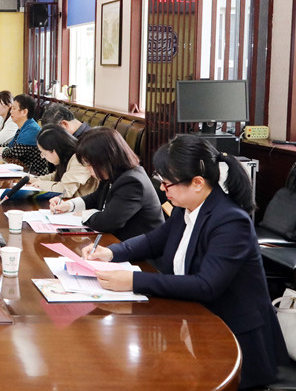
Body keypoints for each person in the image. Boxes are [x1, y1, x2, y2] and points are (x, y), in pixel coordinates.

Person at [82, 134, 288, 389]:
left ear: (197, 183)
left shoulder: (230, 221)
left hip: (233, 337)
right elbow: (154, 240)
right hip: (194, 320)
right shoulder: (187, 207)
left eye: (167, 183)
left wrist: (133, 281)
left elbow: (206, 285)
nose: (162, 189)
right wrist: (111, 253)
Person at [49, 127, 163, 240]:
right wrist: (69, 205)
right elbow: (96, 198)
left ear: (106, 160)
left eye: (89, 164)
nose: (87, 169)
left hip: (137, 247)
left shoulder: (132, 182)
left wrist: (85, 214)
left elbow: (108, 222)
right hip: (116, 240)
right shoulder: (113, 173)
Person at [29, 124, 98, 198]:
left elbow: (64, 191)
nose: (43, 157)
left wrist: (41, 184)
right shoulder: (67, 158)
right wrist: (37, 180)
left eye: (44, 153)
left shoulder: (80, 160)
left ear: (54, 151)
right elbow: (57, 176)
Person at [0, 94, 47, 176]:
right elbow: (11, 145)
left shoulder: (32, 129)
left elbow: (15, 153)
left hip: (35, 174)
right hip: (23, 171)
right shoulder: (24, 126)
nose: (11, 111)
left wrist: (3, 150)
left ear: (24, 112)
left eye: (14, 108)